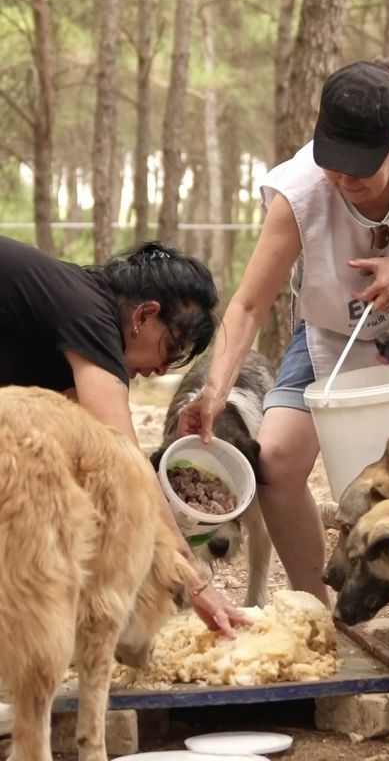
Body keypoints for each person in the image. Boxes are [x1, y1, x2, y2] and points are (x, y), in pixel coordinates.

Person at [179, 60, 389, 666]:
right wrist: (214, 390)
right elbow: (247, 303)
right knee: (275, 457)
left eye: (362, 166)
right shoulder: (299, 192)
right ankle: (321, 614)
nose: (344, 177)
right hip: (337, 324)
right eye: (334, 158)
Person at [0, 234, 249, 636]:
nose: (161, 370)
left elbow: (87, 452)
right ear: (144, 315)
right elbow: (127, 462)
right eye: (170, 348)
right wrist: (195, 579)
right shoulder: (90, 316)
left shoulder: (76, 314)